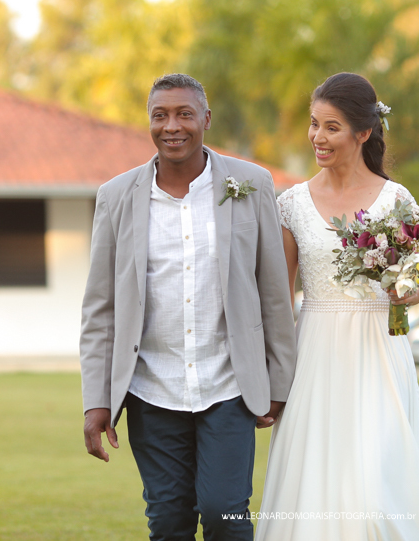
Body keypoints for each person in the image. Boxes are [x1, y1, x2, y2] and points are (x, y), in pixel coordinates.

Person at [79, 73, 297, 541]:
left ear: (206, 120)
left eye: (184, 114)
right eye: (160, 115)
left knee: (225, 514)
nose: (171, 126)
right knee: (169, 520)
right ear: (149, 122)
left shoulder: (252, 184)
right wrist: (96, 401)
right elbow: (100, 308)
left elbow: (274, 292)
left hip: (229, 385)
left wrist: (278, 380)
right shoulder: (115, 197)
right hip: (151, 389)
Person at [256, 73, 419, 540]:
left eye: (331, 127)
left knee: (375, 496)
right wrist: (274, 375)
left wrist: (410, 289)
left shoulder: (396, 199)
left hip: (379, 354)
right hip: (315, 357)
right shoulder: (291, 204)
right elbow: (279, 300)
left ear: (363, 132)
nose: (316, 138)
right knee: (314, 489)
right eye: (313, 124)